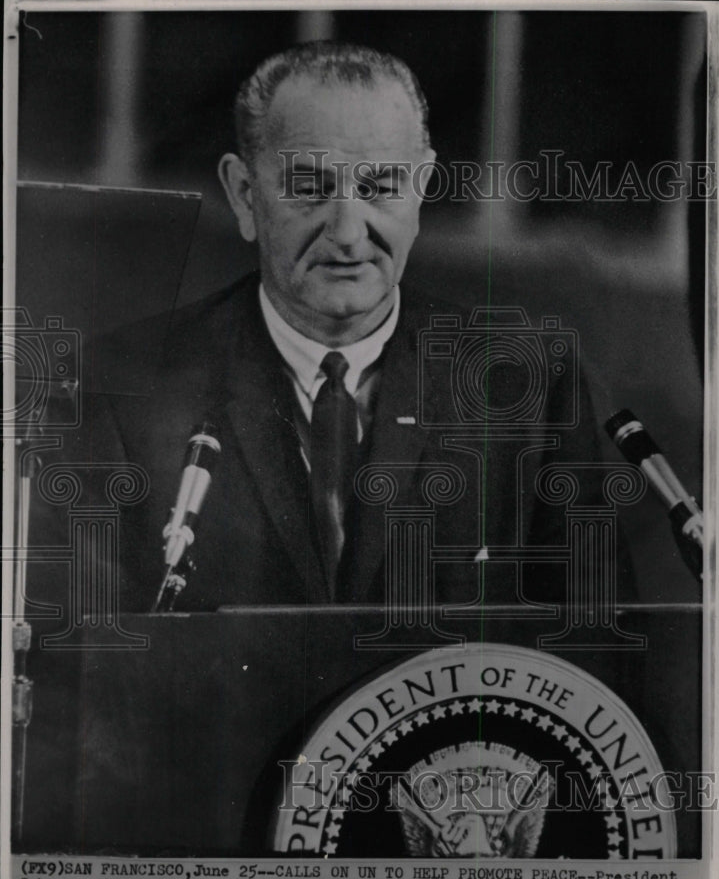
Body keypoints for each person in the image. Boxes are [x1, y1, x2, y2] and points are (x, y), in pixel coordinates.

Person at [40, 41, 628, 614]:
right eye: (309, 187)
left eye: (380, 188)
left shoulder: (531, 389)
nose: (348, 231)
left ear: (421, 189)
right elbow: (86, 677)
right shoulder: (116, 392)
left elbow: (596, 668)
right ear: (245, 196)